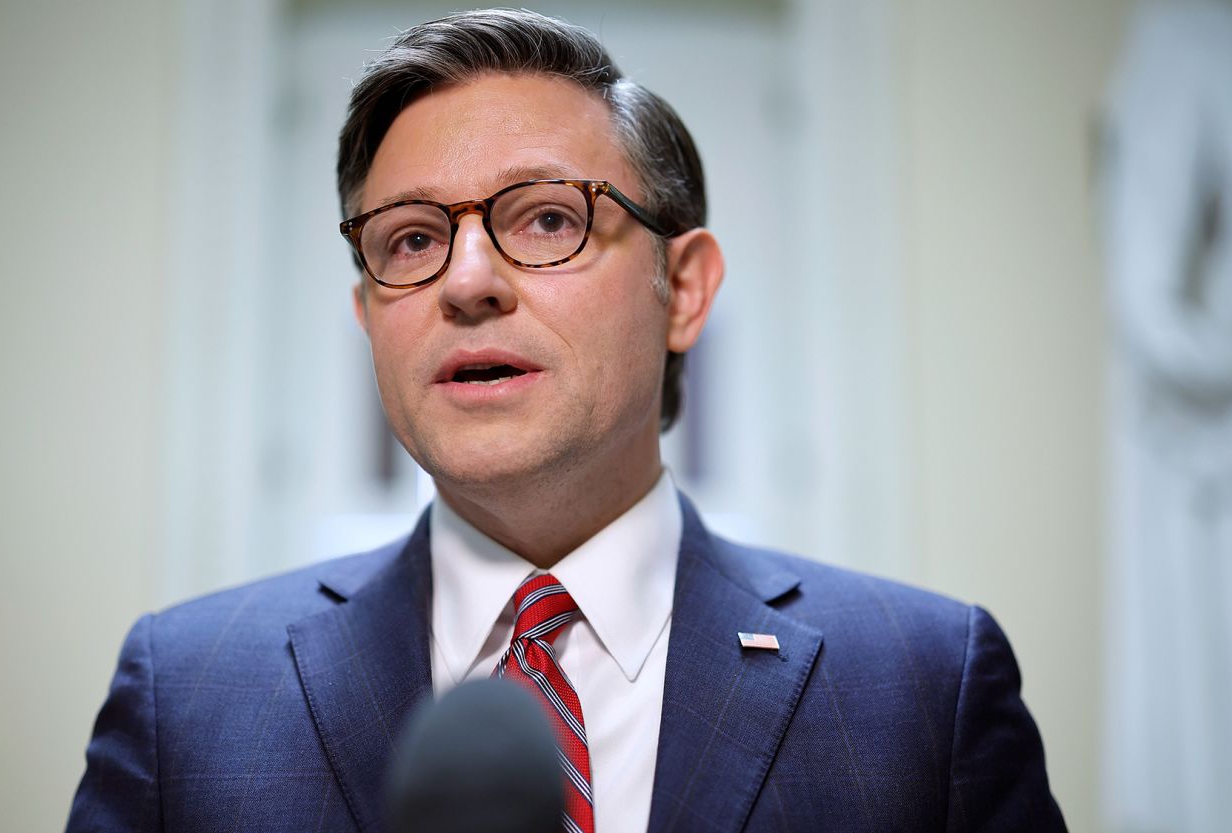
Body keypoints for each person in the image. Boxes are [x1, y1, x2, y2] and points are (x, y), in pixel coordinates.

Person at [65, 10, 1065, 832]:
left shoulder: (923, 686)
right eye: (410, 239)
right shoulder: (186, 698)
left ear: (681, 288)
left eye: (547, 218)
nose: (465, 283)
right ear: (368, 315)